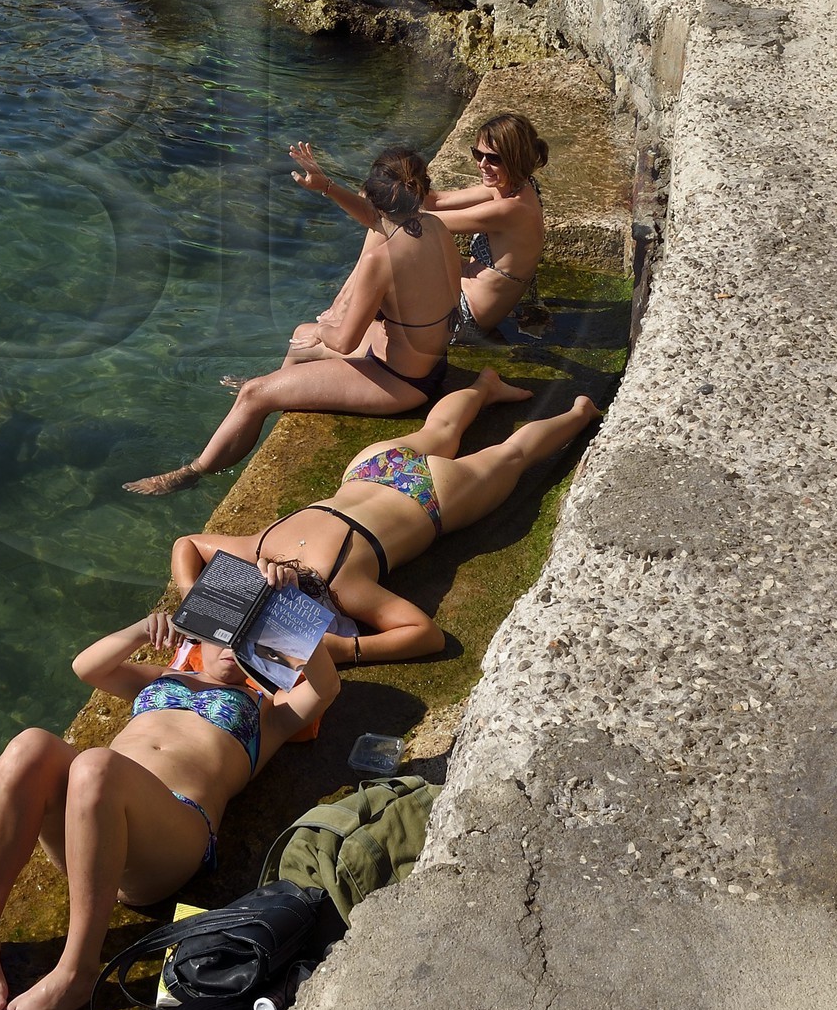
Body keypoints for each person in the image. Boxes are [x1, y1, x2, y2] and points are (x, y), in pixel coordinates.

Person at [0, 609, 340, 1010]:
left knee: (96, 766)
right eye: (227, 632)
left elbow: (326, 686)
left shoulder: (268, 710)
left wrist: (285, 613)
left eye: (250, 638)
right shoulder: (166, 675)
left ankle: (77, 971)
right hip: (89, 822)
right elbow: (86, 667)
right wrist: (142, 630)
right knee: (27, 747)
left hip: (173, 831)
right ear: (202, 635)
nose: (235, 647)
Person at [171, 374, 601, 665]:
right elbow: (187, 544)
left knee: (512, 454)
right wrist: (195, 598)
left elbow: (426, 634)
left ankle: (581, 413)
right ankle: (486, 385)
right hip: (370, 469)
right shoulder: (256, 546)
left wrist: (347, 650)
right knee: (442, 428)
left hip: (431, 497)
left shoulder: (342, 586)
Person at [124, 146, 468, 494]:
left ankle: (190, 473)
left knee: (254, 392)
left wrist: (323, 327)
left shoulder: (380, 260)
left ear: (375, 196)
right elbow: (375, 218)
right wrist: (327, 186)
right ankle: (284, 389)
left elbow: (344, 341)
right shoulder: (434, 226)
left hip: (402, 382)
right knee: (299, 335)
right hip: (430, 363)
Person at [290, 116, 547, 338]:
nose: (482, 164)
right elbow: (437, 200)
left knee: (386, 232)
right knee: (386, 225)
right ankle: (341, 308)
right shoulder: (515, 186)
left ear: (515, 158)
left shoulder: (510, 210)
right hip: (461, 286)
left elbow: (404, 222)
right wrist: (389, 187)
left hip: (463, 318)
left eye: (493, 158)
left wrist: (329, 187)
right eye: (478, 154)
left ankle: (340, 312)